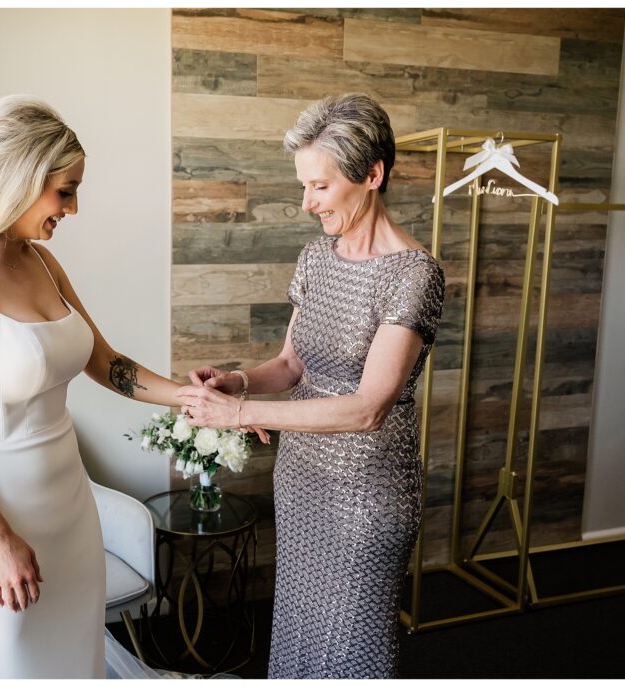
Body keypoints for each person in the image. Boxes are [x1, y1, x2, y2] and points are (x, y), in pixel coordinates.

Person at [0, 96, 186, 678]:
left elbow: (107, 363)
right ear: (18, 178)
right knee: (8, 661)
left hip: (69, 502)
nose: (73, 208)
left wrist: (190, 397)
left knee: (75, 652)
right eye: (65, 190)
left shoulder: (44, 264)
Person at [178, 93, 445, 678]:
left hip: (368, 494)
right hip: (303, 482)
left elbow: (367, 409)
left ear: (372, 175)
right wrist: (238, 380)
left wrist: (239, 413)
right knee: (300, 631)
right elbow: (293, 366)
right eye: (303, 186)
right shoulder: (316, 258)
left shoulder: (414, 275)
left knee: (354, 648)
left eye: (320, 187)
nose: (306, 203)